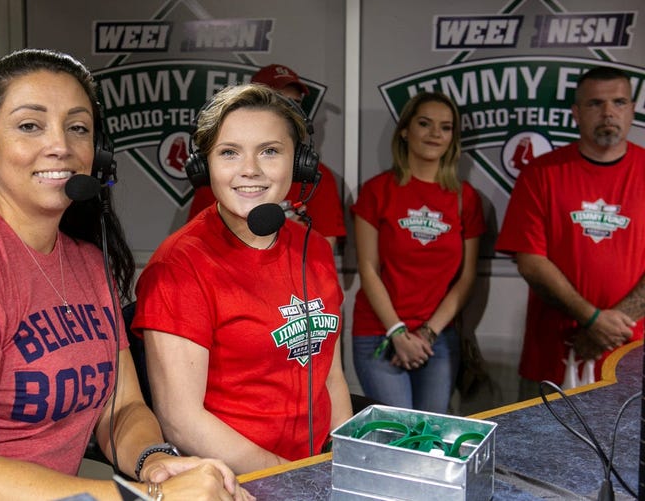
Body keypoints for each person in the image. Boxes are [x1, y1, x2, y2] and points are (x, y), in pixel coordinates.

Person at [0, 49, 251, 501]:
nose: (60, 144)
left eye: (78, 127)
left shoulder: (85, 261)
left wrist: (154, 462)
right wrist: (144, 498)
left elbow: (122, 408)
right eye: (29, 125)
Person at [133, 84, 352, 474]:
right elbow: (182, 421)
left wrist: (341, 465)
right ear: (206, 167)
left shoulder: (313, 249)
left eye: (270, 151)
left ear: (299, 163)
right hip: (234, 482)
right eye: (229, 153)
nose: (250, 169)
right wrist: (291, 479)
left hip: (315, 471)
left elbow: (331, 375)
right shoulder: (179, 267)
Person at [496, 66, 645, 399]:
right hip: (553, 353)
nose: (609, 112)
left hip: (631, 357)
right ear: (576, 113)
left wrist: (607, 328)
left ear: (632, 110)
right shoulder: (540, 173)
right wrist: (591, 318)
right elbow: (531, 262)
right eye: (595, 104)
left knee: (627, 451)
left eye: (619, 102)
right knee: (540, 450)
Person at [351, 91, 486, 414]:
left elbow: (466, 278)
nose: (435, 134)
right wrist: (397, 332)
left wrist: (427, 333)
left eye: (445, 127)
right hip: (378, 334)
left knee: (430, 438)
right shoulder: (376, 191)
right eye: (424, 124)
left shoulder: (464, 198)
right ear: (405, 130)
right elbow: (368, 269)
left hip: (437, 339)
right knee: (397, 436)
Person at [187, 63, 346, 249]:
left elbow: (322, 250)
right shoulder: (221, 177)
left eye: (295, 103)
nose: (249, 171)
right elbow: (199, 241)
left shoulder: (315, 175)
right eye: (278, 99)